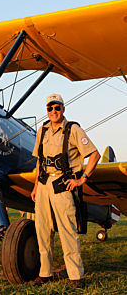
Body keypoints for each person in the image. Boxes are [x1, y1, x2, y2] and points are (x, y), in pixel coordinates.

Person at [31, 93, 100, 288]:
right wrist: (35, 186)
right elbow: (39, 160)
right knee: (42, 231)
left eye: (57, 107)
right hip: (43, 185)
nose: (53, 111)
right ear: (47, 110)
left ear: (63, 108)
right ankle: (45, 273)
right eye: (50, 108)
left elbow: (94, 154)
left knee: (67, 231)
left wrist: (82, 179)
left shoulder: (73, 129)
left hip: (62, 186)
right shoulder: (42, 130)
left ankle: (76, 277)